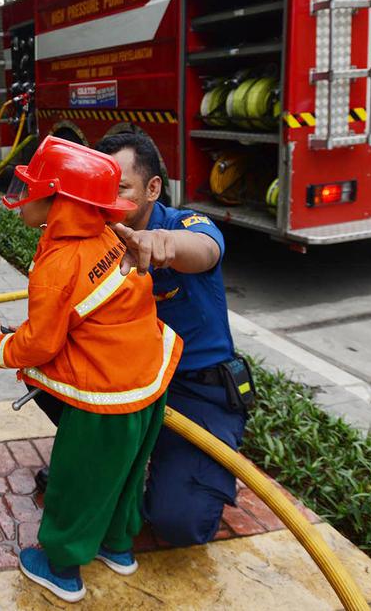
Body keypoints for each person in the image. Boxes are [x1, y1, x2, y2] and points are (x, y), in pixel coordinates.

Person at [0, 136, 183, 603]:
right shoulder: (108, 235)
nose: (20, 195)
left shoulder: (59, 262)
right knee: (125, 474)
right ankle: (118, 546)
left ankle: (61, 566)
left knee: (78, 477)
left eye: (30, 188)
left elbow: (41, 343)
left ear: (60, 200)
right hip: (147, 384)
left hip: (105, 400)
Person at [94, 128, 253, 548]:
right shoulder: (99, 234)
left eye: (122, 189)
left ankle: (164, 471)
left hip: (196, 391)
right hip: (132, 382)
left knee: (179, 524)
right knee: (47, 379)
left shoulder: (182, 225)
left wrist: (160, 243)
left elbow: (205, 248)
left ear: (152, 189)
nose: (110, 201)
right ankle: (108, 461)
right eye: (102, 189)